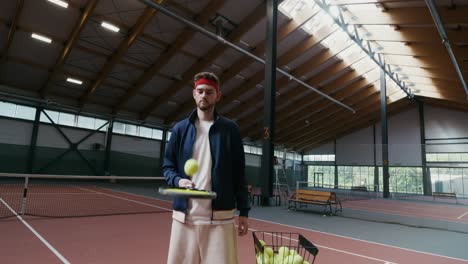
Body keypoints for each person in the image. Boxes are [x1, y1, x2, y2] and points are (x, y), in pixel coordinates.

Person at [163, 72, 250, 264]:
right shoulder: (179, 129)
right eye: (200, 91)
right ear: (194, 94)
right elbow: (168, 167)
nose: (204, 95)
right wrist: (179, 180)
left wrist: (244, 211)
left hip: (221, 218)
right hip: (184, 218)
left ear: (218, 96)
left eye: (209, 92)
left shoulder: (230, 130)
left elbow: (239, 173)